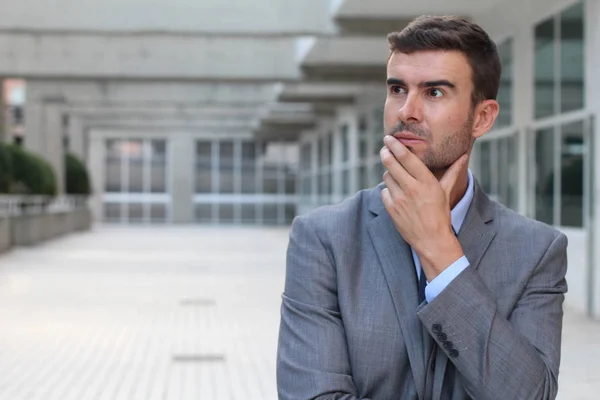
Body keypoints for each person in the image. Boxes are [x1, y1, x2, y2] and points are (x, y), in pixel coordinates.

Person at [276, 15, 568, 400]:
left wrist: (441, 254)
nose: (406, 111)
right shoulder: (324, 239)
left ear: (482, 117)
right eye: (398, 89)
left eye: (434, 92)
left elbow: (530, 395)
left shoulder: (536, 251)